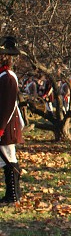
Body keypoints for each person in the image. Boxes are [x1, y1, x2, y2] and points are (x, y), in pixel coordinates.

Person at [0, 36, 25, 205]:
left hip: (7, 125)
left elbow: (7, 106)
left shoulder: (8, 77)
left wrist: (0, 128)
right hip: (3, 124)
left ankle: (14, 196)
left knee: (9, 159)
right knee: (5, 160)